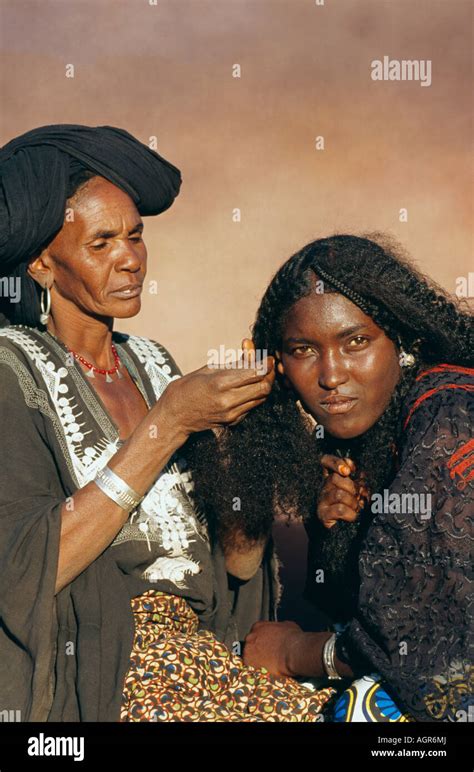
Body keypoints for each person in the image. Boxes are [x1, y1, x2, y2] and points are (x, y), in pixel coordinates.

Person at [0, 125, 333, 722]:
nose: (131, 259)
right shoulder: (11, 371)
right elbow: (28, 569)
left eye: (135, 235)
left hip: (201, 652)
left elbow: (239, 564)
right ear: (43, 264)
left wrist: (244, 436)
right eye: (102, 243)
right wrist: (170, 423)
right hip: (109, 667)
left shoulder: (153, 364)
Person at [185, 234, 473, 722]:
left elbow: (435, 652)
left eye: (356, 341)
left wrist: (296, 651)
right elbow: (243, 563)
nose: (331, 375)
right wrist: (339, 529)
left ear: (402, 339)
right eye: (303, 350)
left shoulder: (447, 414)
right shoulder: (371, 439)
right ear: (278, 363)